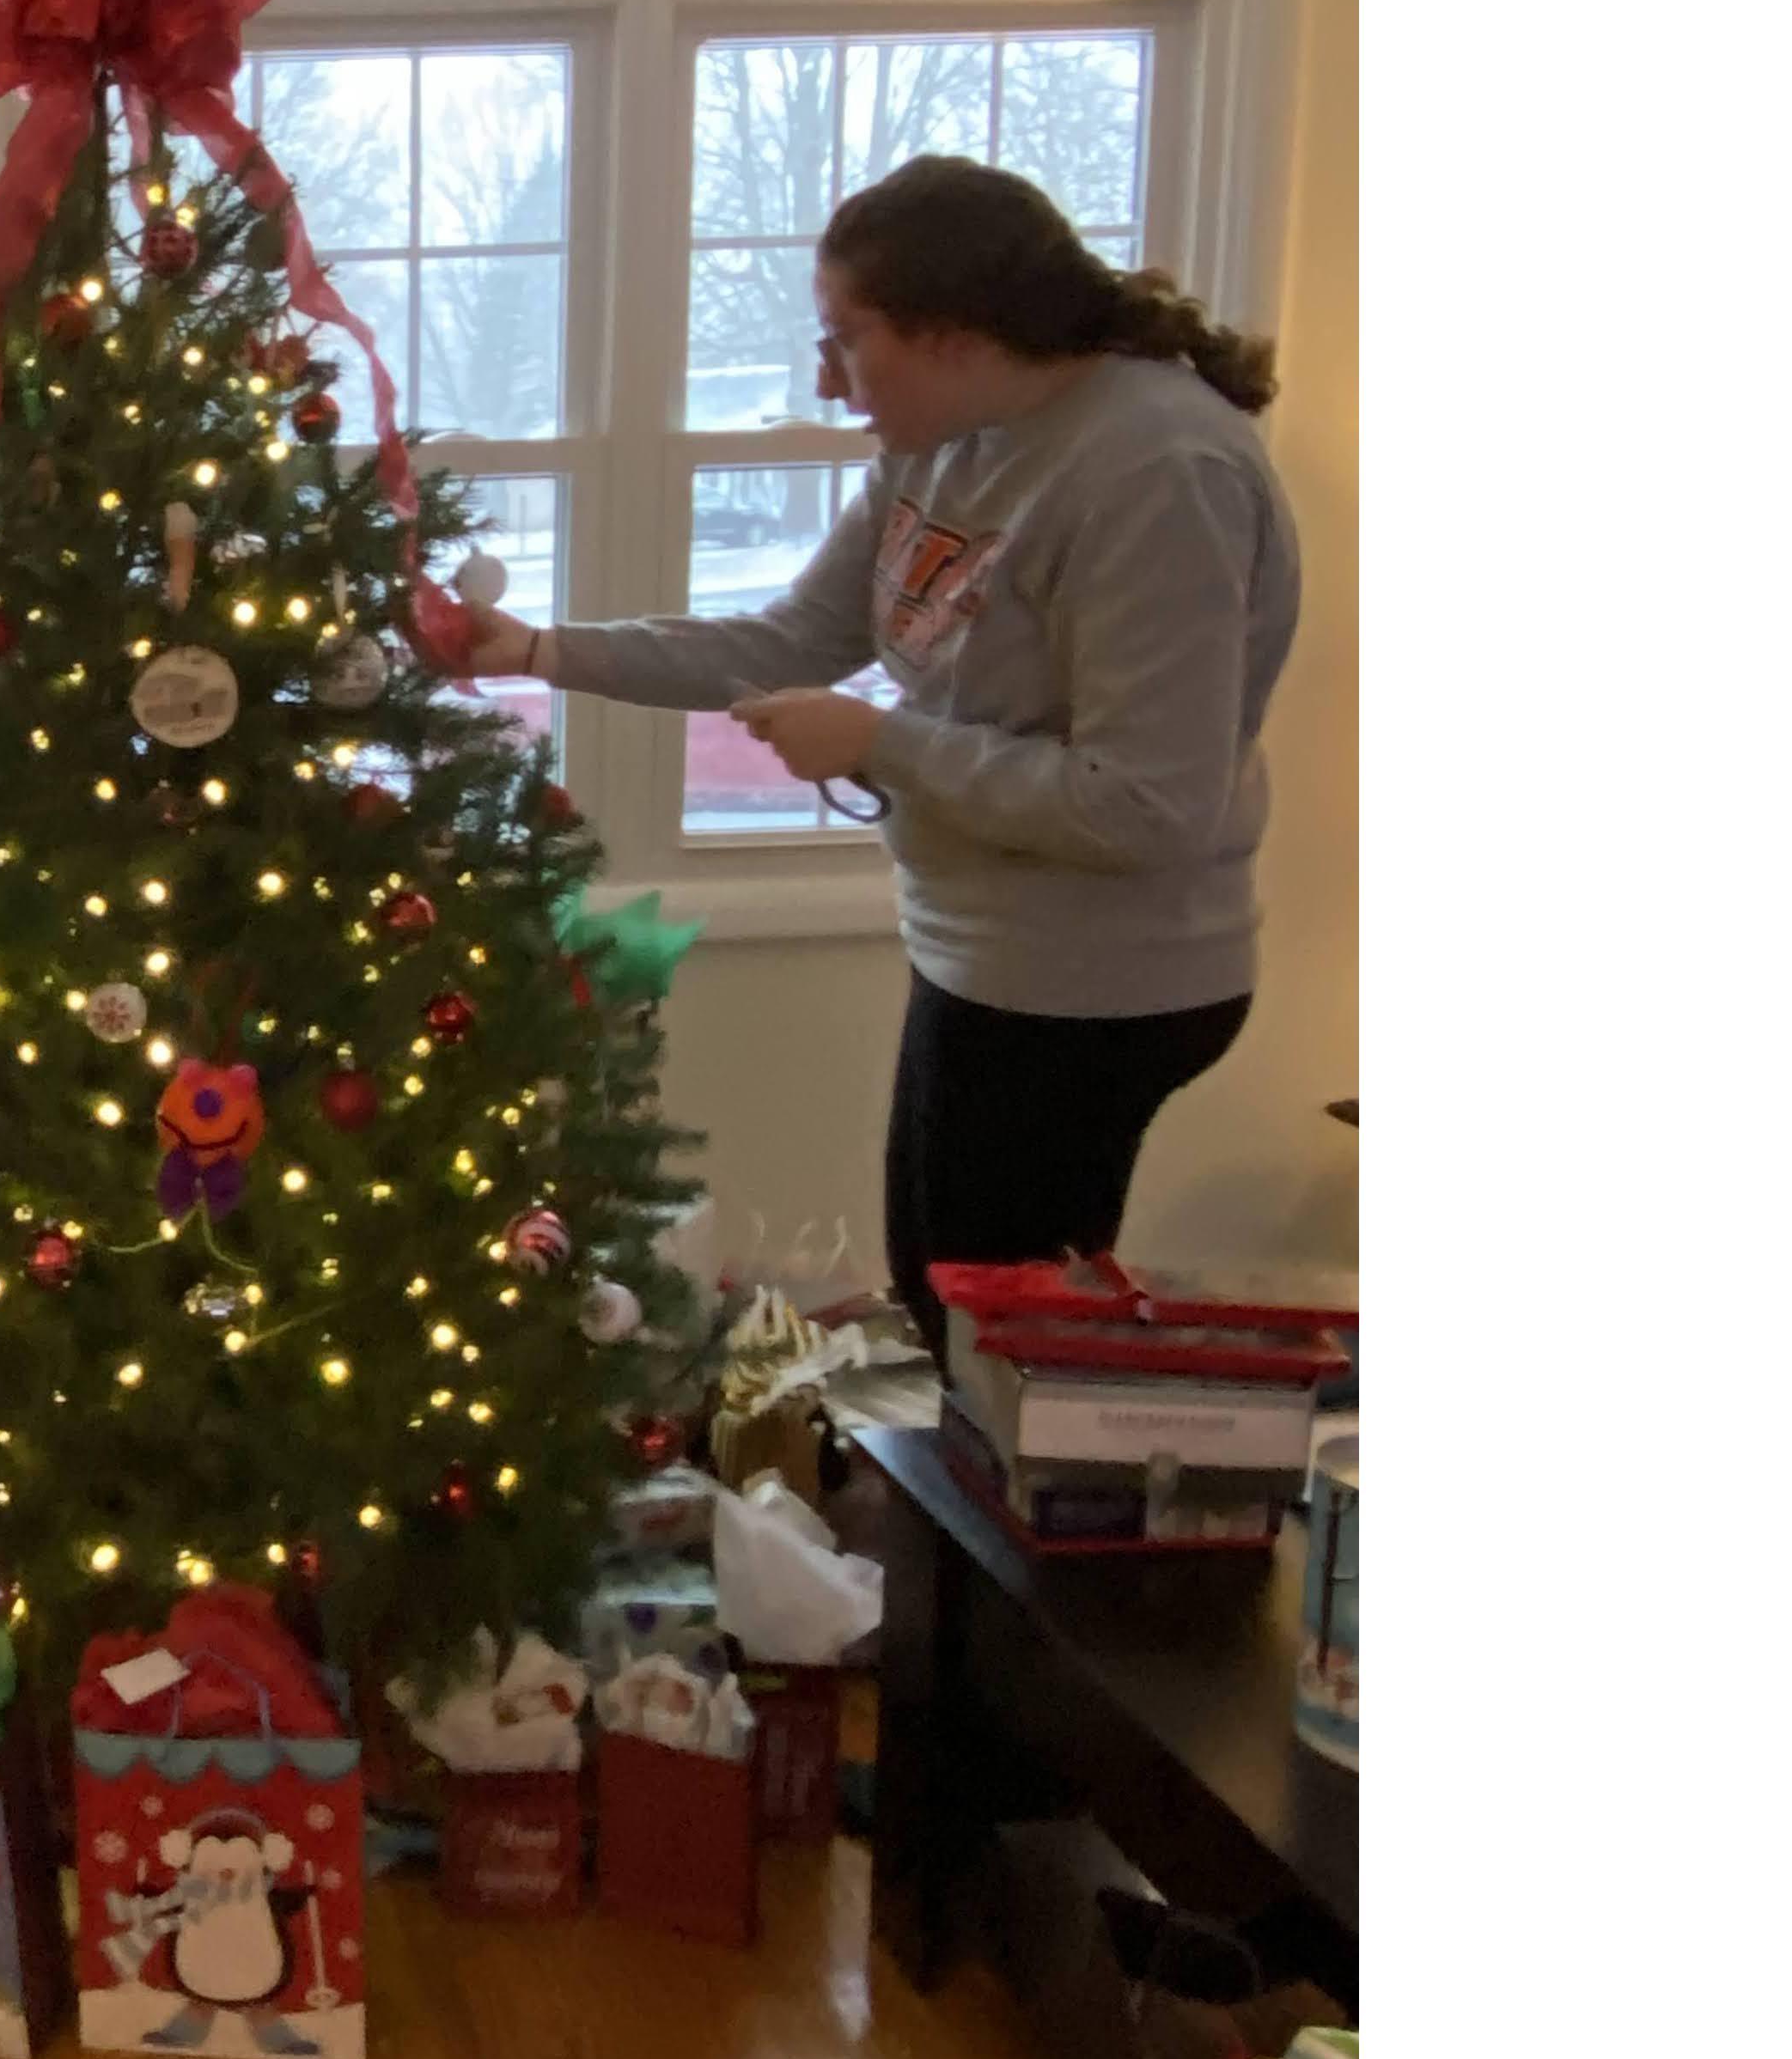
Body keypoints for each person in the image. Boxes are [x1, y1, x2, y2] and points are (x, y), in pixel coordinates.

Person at [466, 154, 1300, 1369]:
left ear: (956, 333)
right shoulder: (943, 444)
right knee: (940, 1291)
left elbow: (1148, 805)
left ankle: (1028, 1557)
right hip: (985, 950)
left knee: (1002, 1340)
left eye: (846, 340)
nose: (824, 379)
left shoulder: (1158, 471)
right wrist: (536, 647)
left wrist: (881, 744)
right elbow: (789, 638)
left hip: (1104, 983)